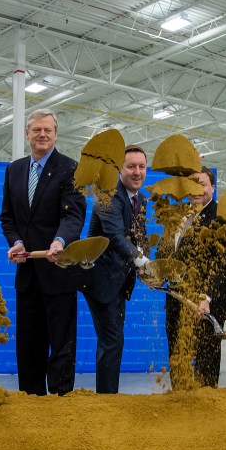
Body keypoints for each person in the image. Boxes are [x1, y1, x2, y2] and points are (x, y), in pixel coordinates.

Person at [0, 109, 86, 395]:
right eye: (36, 129)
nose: (42, 134)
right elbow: (8, 217)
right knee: (29, 343)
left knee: (62, 342)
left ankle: (61, 402)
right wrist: (16, 242)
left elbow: (73, 215)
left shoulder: (70, 168)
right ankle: (31, 401)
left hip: (58, 272)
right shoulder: (14, 170)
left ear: (56, 134)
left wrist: (60, 240)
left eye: (48, 130)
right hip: (27, 275)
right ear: (27, 134)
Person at [82, 145, 149, 393]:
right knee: (111, 341)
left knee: (114, 341)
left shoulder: (140, 199)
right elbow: (114, 237)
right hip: (100, 280)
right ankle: (107, 402)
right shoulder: (107, 193)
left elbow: (139, 236)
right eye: (131, 166)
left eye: (141, 167)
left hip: (119, 281)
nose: (137, 172)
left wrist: (146, 263)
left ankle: (109, 398)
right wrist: (142, 261)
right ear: (120, 169)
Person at [161, 167, 226, 388]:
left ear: (212, 187)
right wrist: (157, 272)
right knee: (178, 357)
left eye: (201, 183)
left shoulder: (223, 216)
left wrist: (206, 297)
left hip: (207, 303)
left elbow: (223, 262)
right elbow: (166, 252)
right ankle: (180, 405)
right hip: (176, 298)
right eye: (192, 184)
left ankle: (206, 413)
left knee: (207, 363)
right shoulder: (175, 214)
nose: (196, 189)